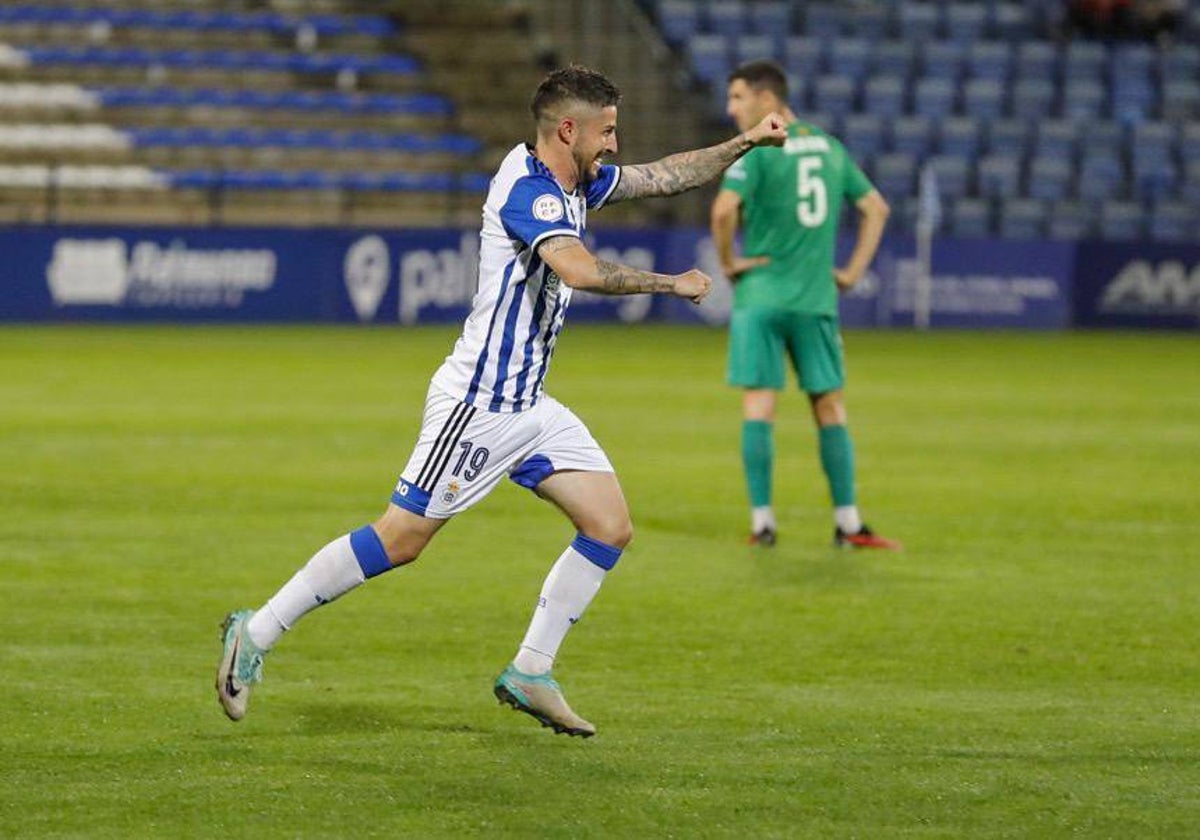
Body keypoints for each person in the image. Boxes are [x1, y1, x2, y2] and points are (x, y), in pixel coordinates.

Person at [216, 64, 787, 737]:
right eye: (605, 130)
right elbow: (576, 269)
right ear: (566, 129)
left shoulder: (578, 180)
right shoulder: (528, 189)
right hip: (480, 403)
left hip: (530, 407)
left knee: (609, 526)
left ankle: (530, 671)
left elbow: (663, 175)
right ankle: (257, 630)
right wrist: (673, 284)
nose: (614, 142)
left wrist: (746, 141)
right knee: (400, 540)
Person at [709, 60, 898, 550]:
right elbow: (876, 207)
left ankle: (763, 524)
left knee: (759, 406)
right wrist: (853, 272)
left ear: (767, 100)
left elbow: (724, 210)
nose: (731, 108)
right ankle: (850, 523)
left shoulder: (758, 150)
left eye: (738, 97)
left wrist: (730, 263)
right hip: (815, 298)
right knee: (830, 407)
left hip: (761, 297)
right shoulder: (831, 148)